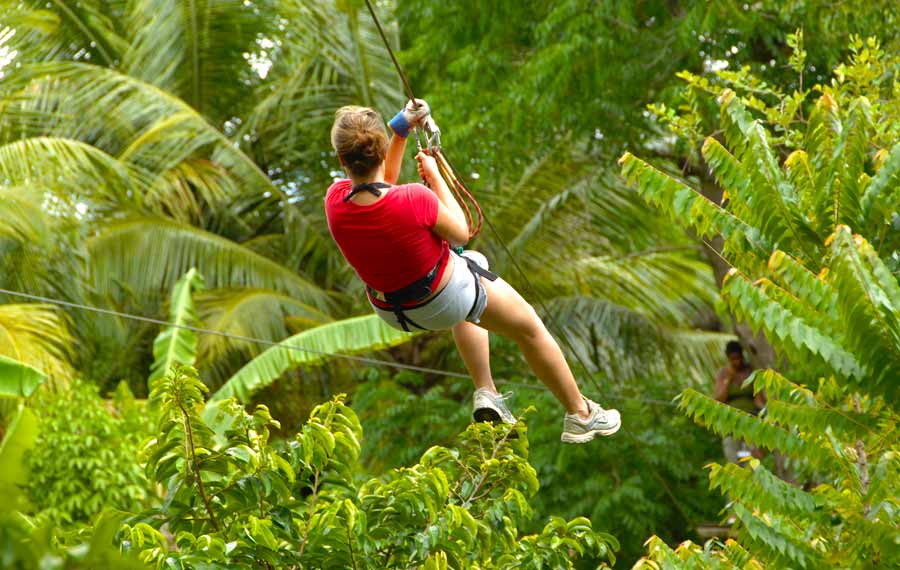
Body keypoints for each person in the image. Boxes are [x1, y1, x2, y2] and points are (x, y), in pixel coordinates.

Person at [324, 102, 621, 443]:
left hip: (393, 312)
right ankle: (580, 414)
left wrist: (400, 128)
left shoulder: (335, 202)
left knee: (470, 274)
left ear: (342, 160)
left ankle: (487, 390)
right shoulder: (415, 198)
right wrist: (435, 178)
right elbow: (461, 232)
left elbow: (380, 185)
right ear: (376, 151)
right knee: (528, 327)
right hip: (444, 299)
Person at [714, 341, 764, 462]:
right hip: (731, 424)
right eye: (733, 359)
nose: (737, 362)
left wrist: (765, 412)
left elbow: (758, 399)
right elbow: (719, 400)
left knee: (750, 460)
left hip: (750, 422)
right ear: (728, 358)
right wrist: (728, 380)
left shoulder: (750, 372)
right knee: (734, 459)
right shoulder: (723, 373)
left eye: (739, 358)